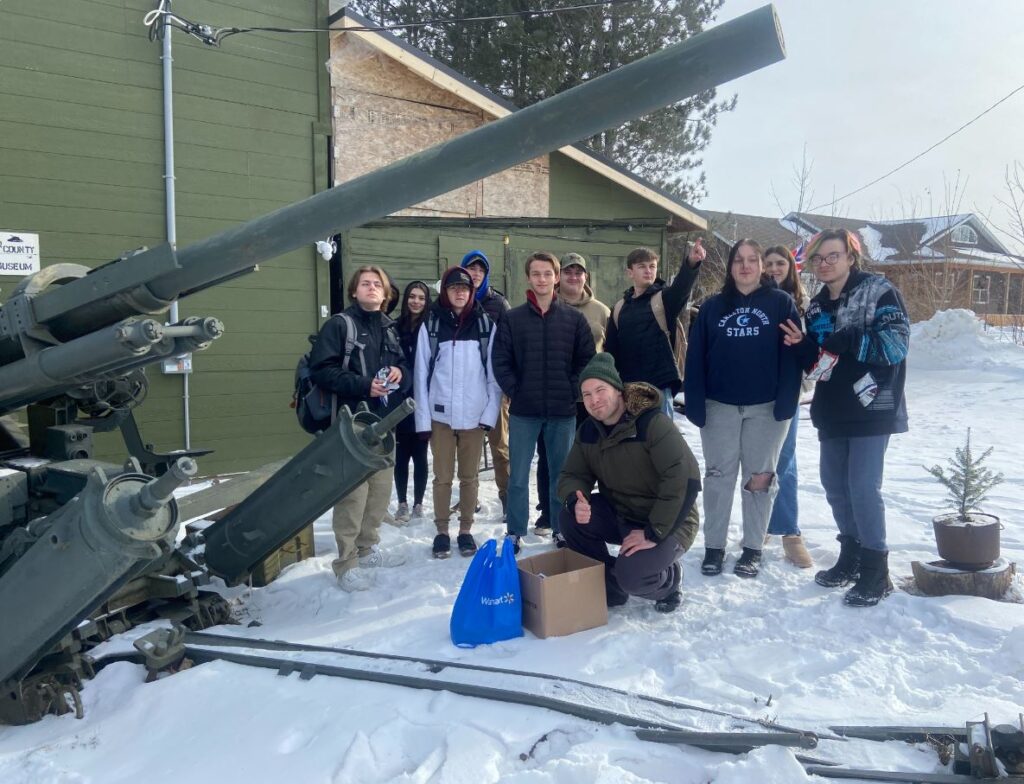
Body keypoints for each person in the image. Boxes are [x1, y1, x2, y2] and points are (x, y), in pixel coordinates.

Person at [780, 229, 910, 607]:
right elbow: (822, 366)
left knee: (863, 487)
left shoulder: (879, 292)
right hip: (833, 408)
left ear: (851, 258)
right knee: (835, 486)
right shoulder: (817, 307)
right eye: (819, 258)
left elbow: (896, 346)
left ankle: (876, 568)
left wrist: (852, 337)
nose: (824, 263)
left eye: (833, 256)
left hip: (873, 406)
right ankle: (851, 556)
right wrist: (803, 348)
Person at [684, 239, 801, 579]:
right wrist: (695, 402)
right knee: (718, 477)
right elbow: (695, 357)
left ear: (762, 266)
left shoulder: (781, 303)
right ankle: (714, 547)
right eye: (739, 260)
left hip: (766, 409)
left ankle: (752, 548)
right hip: (719, 406)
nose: (745, 266)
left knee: (760, 479)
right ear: (730, 266)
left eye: (752, 260)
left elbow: (793, 355)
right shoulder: (712, 307)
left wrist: (786, 402)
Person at [558, 354, 701, 613]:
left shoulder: (652, 424)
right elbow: (573, 474)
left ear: (618, 390)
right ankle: (610, 586)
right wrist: (574, 499)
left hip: (670, 522)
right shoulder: (588, 431)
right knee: (569, 517)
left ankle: (669, 580)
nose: (594, 400)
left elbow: (684, 480)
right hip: (623, 513)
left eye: (600, 390)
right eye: (586, 394)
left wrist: (653, 532)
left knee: (633, 576)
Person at [309, 265, 409, 591]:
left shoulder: (390, 328)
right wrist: (364, 386)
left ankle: (366, 549)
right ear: (354, 291)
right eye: (365, 283)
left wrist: (400, 371)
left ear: (386, 292)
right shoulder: (340, 325)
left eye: (377, 284)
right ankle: (346, 563)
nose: (372, 288)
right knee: (353, 496)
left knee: (380, 491)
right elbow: (321, 370)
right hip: (350, 425)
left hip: (384, 422)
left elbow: (404, 366)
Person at [492, 251, 595, 553]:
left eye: (548, 273)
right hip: (524, 411)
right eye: (536, 273)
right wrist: (517, 390)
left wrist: (572, 390)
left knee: (561, 474)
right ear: (528, 278)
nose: (542, 279)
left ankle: (561, 529)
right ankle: (515, 531)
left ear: (557, 277)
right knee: (518, 476)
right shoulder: (513, 319)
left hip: (562, 411)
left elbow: (586, 360)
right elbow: (500, 360)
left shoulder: (574, 319)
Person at [415, 267, 501, 558]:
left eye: (465, 288)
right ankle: (441, 530)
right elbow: (421, 373)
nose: (460, 293)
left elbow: (493, 376)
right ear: (445, 291)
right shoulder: (432, 324)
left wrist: (489, 414)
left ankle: (465, 530)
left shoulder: (485, 325)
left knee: (469, 477)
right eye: (454, 288)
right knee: (442, 477)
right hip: (440, 416)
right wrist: (423, 420)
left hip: (474, 417)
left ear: (472, 291)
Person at [535, 252, 612, 532]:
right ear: (559, 277)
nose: (573, 276)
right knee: (550, 457)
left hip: (593, 401)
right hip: (556, 395)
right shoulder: (546, 307)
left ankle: (595, 509)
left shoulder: (602, 312)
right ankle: (548, 511)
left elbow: (611, 354)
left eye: (578, 272)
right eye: (568, 271)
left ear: (585, 276)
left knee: (595, 456)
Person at [605, 240, 706, 418]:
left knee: (661, 435)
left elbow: (681, 288)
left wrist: (691, 263)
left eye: (652, 266)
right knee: (631, 435)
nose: (648, 270)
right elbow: (611, 352)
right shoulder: (619, 309)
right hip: (628, 388)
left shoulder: (664, 299)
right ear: (630, 272)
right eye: (642, 266)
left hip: (659, 387)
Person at [762, 246, 814, 568]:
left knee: (784, 459)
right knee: (757, 462)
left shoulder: (804, 304)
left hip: (788, 390)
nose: (774, 268)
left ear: (790, 267)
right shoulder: (753, 299)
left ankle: (789, 532)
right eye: (768, 263)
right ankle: (761, 523)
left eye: (780, 263)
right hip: (756, 392)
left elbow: (812, 349)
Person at [461, 250, 512, 517]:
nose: (476, 273)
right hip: (465, 388)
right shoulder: (457, 299)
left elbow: (510, 343)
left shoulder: (498, 304)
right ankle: (469, 498)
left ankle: (507, 498)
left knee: (500, 447)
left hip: (494, 386)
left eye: (481, 269)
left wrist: (507, 383)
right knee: (466, 448)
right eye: (472, 268)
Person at [392, 281, 432, 523]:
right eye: (412, 297)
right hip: (399, 397)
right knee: (401, 455)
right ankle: (402, 503)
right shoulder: (395, 327)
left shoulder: (430, 327)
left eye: (421, 298)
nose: (416, 301)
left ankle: (418, 502)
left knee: (420, 454)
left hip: (422, 398)